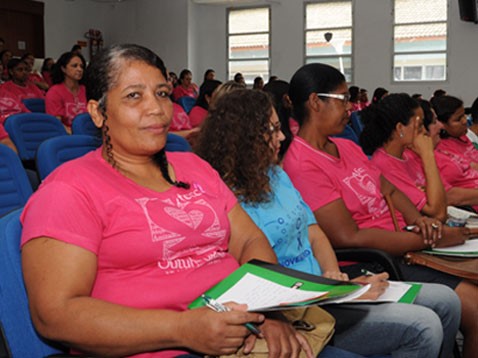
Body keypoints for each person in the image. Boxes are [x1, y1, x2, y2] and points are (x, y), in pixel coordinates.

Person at [20, 43, 318, 358]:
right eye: (134, 96)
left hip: (243, 332)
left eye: (162, 93)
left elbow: (249, 242)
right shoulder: (69, 189)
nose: (156, 109)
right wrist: (184, 329)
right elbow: (55, 315)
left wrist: (267, 311)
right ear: (97, 112)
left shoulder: (196, 167)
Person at [195, 88, 461, 358]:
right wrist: (340, 292)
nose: (282, 136)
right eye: (272, 130)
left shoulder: (276, 174)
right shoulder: (221, 196)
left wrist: (335, 277)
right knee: (423, 326)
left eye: (280, 127)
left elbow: (314, 233)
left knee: (446, 300)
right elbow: (260, 283)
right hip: (299, 305)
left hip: (325, 292)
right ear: (243, 139)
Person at [282, 63, 478, 358]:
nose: (350, 108)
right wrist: (426, 239)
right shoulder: (302, 163)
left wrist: (418, 221)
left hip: (402, 242)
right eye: (342, 99)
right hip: (373, 259)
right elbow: (349, 237)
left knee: (452, 300)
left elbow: (388, 189)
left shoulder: (345, 146)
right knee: (455, 306)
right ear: (315, 102)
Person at [362, 94, 478, 215]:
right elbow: (438, 213)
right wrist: (428, 155)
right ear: (400, 128)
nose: (424, 131)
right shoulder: (385, 165)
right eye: (421, 124)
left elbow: (442, 196)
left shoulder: (409, 154)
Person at [45, 51, 87, 131]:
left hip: (88, 133)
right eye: (74, 66)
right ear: (63, 69)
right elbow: (57, 124)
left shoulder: (86, 90)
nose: (79, 69)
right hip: (66, 136)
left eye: (81, 66)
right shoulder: (54, 92)